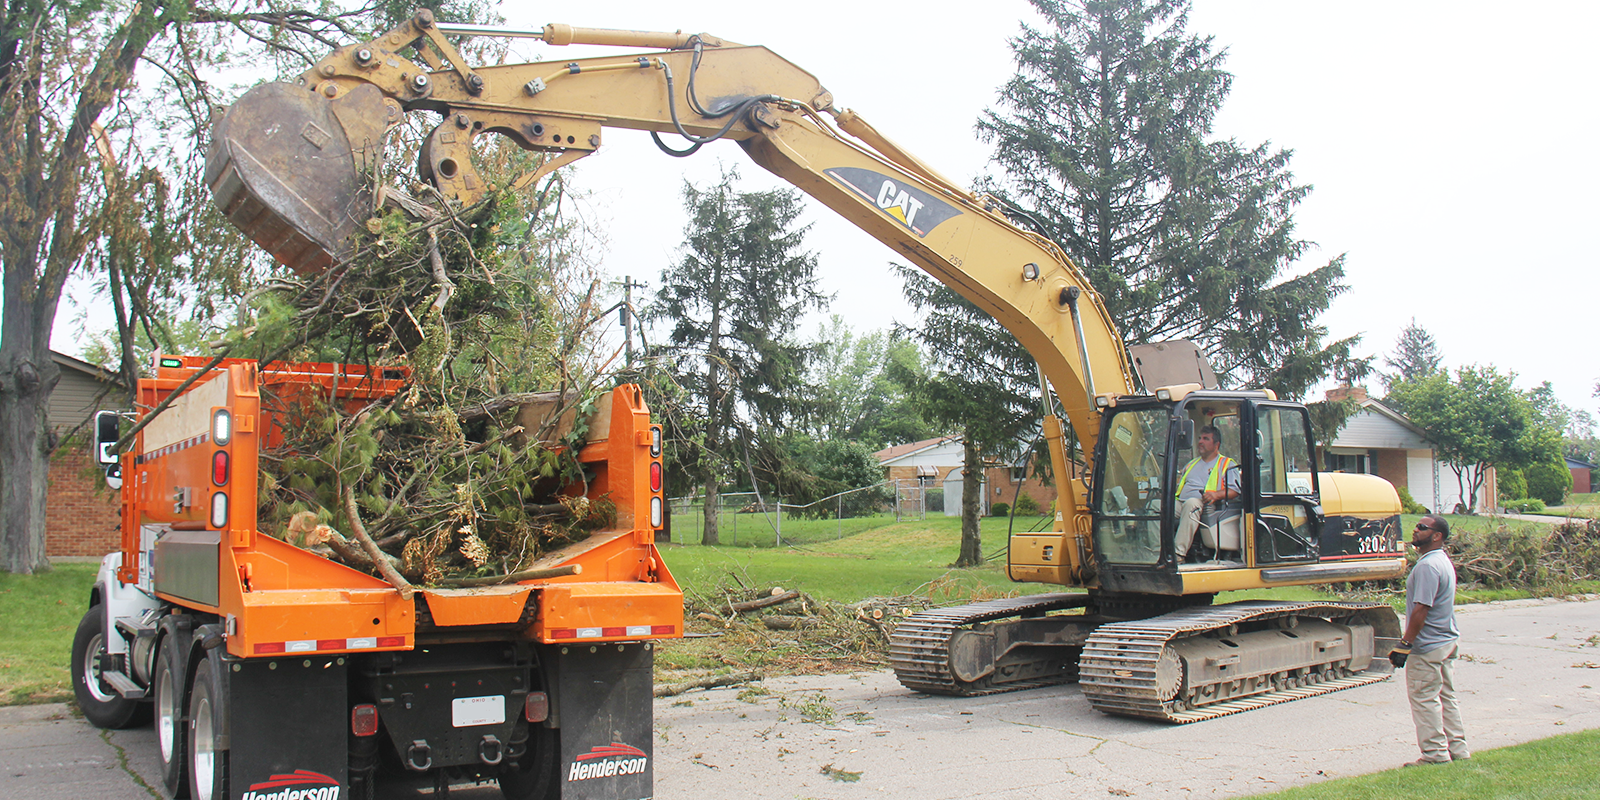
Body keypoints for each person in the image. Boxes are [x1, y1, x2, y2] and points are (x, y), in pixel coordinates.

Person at [1388, 515, 1469, 766]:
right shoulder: (1441, 561)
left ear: (1437, 536)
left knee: (1425, 698)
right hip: (1446, 641)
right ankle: (1458, 750)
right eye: (1417, 526)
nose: (1415, 529)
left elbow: (1421, 609)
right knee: (1446, 697)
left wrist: (1406, 644)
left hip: (1428, 645)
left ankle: (1434, 755)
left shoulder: (1427, 567)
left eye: (1422, 527)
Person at [1173, 425, 1240, 560]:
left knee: (1192, 504)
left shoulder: (1227, 464)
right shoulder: (1192, 464)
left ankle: (1178, 554)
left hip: (1205, 505)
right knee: (1156, 506)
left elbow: (1234, 490)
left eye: (1206, 439)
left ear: (1216, 444)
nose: (1200, 442)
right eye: (1199, 438)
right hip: (1181, 503)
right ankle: (1156, 551)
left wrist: (1216, 494)